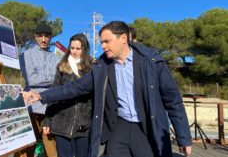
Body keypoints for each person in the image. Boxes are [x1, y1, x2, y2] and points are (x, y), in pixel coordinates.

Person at [23, 21, 192, 157]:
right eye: (101, 42)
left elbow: (173, 101)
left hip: (146, 128)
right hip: (119, 126)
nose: (103, 46)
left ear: (123, 38)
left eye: (106, 41)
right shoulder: (102, 66)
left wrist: (183, 137)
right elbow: (75, 87)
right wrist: (40, 96)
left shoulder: (152, 62)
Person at [43, 33, 93, 157]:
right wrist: (48, 121)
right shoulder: (62, 67)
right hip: (61, 123)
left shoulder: (92, 68)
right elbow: (54, 93)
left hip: (83, 125)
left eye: (78, 48)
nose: (74, 51)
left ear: (84, 49)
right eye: (72, 48)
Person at [19, 23, 59, 157]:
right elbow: (32, 80)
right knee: (28, 145)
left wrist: (51, 79)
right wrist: (52, 78)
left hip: (50, 105)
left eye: (46, 36)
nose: (43, 39)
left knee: (51, 144)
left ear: (50, 37)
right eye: (40, 36)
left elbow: (60, 81)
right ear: (35, 37)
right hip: (30, 104)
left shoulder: (56, 58)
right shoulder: (26, 55)